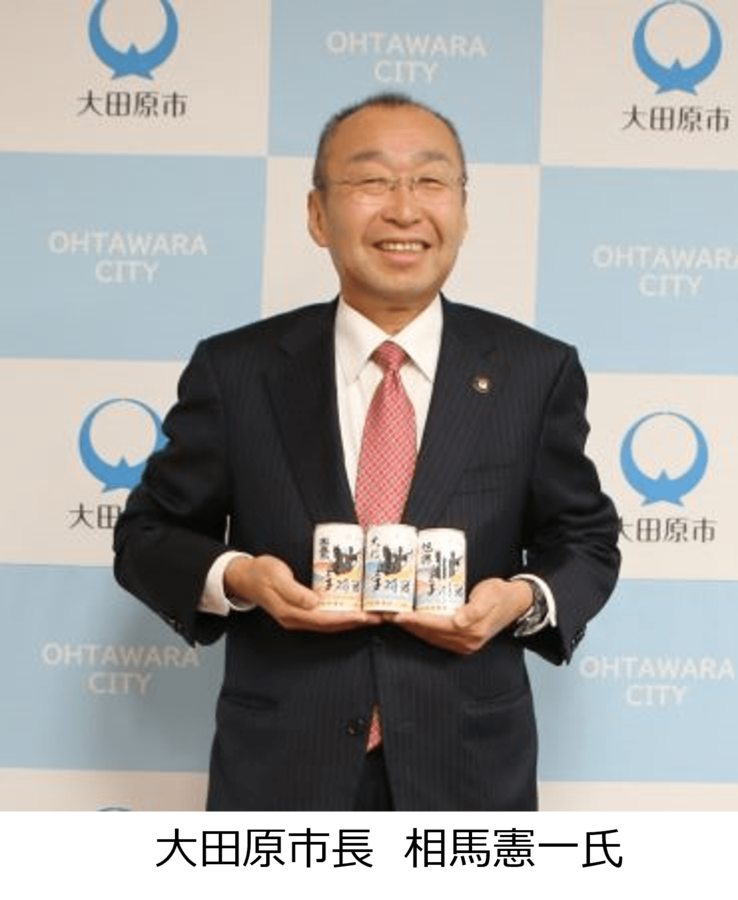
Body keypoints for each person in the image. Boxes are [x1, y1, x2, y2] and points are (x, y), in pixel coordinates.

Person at [113, 92, 621, 814]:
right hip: (282, 773)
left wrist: (521, 599)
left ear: (463, 212)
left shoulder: (535, 372)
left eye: (431, 181)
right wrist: (242, 578)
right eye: (372, 180)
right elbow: (146, 535)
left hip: (469, 771)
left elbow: (585, 539)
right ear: (318, 215)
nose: (404, 209)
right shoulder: (236, 371)